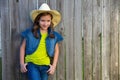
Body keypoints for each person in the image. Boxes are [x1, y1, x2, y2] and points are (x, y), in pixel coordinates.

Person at [20, 3, 63, 80]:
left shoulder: (53, 35)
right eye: (42, 20)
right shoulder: (30, 33)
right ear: (38, 20)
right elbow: (22, 47)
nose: (45, 23)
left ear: (51, 21)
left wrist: (53, 66)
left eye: (48, 21)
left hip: (45, 66)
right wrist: (22, 64)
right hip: (32, 64)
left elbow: (56, 51)